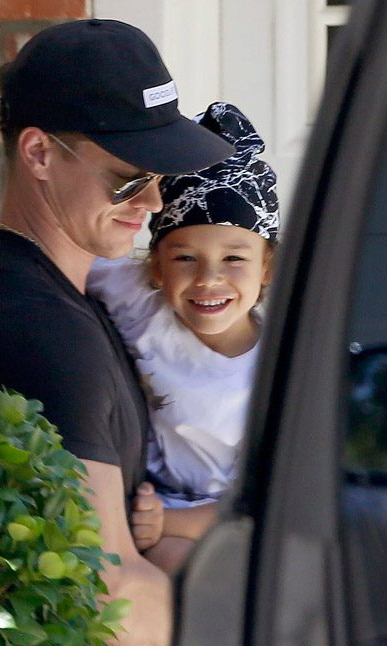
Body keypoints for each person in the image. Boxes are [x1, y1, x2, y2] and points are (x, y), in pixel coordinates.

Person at [0, 18, 234, 646]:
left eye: (158, 176)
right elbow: (106, 589)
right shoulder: (39, 325)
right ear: (39, 154)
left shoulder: (57, 295)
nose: (152, 201)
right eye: (127, 178)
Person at [87, 102, 280, 573]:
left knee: (176, 565)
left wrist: (167, 523)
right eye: (185, 259)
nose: (208, 279)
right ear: (155, 267)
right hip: (142, 494)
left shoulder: (277, 367)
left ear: (267, 268)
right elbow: (48, 252)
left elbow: (269, 497)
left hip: (225, 519)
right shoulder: (139, 300)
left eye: (234, 259)